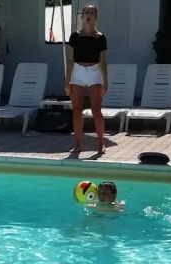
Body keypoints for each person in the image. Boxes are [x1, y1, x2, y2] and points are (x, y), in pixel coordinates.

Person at [65, 4, 108, 157]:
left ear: (95, 17)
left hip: (94, 71)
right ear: (82, 16)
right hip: (78, 72)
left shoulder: (100, 37)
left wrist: (105, 80)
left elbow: (103, 61)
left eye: (92, 13)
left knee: (96, 109)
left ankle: (101, 143)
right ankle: (78, 143)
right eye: (86, 13)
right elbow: (70, 59)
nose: (89, 15)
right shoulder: (75, 37)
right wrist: (67, 80)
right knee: (77, 109)